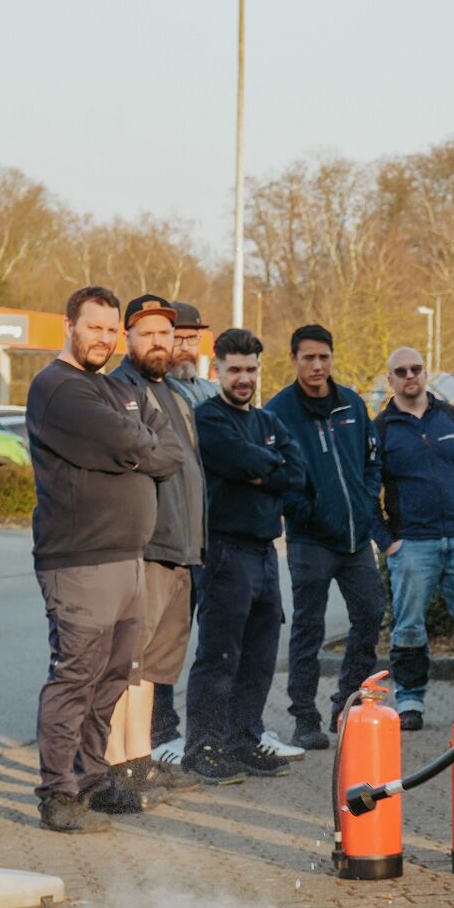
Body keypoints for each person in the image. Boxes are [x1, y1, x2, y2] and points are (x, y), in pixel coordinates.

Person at [27, 286, 182, 832]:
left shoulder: (113, 388)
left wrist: (133, 451)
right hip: (79, 560)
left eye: (111, 329)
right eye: (93, 327)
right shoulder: (57, 388)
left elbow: (166, 451)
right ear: (68, 325)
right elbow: (132, 440)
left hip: (128, 559)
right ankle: (56, 793)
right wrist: (136, 448)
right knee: (76, 677)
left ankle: (94, 781)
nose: (104, 338)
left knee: (113, 678)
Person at [182, 329, 306, 782]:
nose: (244, 378)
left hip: (265, 552)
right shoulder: (207, 419)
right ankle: (204, 746)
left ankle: (243, 739)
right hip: (223, 551)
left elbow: (297, 474)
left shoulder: (270, 423)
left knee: (259, 654)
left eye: (251, 369)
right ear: (216, 371)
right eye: (234, 369)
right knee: (219, 655)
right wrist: (264, 467)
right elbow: (240, 460)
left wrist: (262, 469)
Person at [265, 324, 385, 749]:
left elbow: (373, 461)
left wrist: (367, 500)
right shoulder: (278, 412)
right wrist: (306, 511)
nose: (317, 366)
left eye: (324, 358)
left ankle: (347, 704)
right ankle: (304, 717)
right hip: (309, 541)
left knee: (371, 613)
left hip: (355, 540)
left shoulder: (351, 403)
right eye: (308, 358)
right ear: (294, 360)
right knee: (308, 630)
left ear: (332, 358)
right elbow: (275, 477)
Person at [108, 293, 205, 799]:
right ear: (129, 337)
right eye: (147, 333)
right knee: (127, 662)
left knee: (154, 668)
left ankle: (140, 759)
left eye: (165, 333)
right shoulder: (123, 387)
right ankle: (115, 766)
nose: (158, 342)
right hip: (147, 546)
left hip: (181, 551)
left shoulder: (173, 393)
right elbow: (145, 458)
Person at [374, 347, 454, 730]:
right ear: (390, 379)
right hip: (412, 545)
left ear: (425, 373)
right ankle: (410, 702)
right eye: (401, 371)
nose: (410, 375)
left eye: (416, 368)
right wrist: (386, 540)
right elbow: (367, 489)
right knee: (408, 626)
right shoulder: (380, 429)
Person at [167, 302, 220, 408]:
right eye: (177, 338)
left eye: (192, 338)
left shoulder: (214, 390)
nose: (185, 347)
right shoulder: (155, 392)